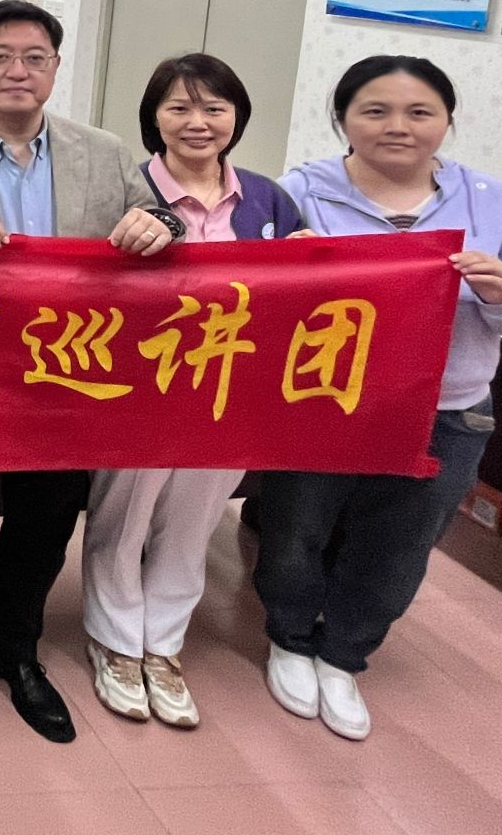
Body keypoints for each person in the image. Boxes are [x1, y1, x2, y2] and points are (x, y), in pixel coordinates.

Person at [0, 0, 183, 744]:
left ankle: (14, 647)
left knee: (44, 520)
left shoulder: (105, 153)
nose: (17, 71)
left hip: (64, 379)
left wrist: (161, 224)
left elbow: (163, 223)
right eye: (0, 56)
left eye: (35, 57)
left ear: (55, 67)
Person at [259, 56, 502, 741]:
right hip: (323, 400)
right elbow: (253, 298)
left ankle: (344, 654)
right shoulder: (300, 192)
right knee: (297, 529)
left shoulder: (493, 202)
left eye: (420, 112)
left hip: (448, 408)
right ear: (343, 119)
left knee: (401, 541)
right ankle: (289, 638)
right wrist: (287, 268)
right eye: (375, 111)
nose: (398, 126)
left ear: (447, 120)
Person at [82, 54, 306, 731]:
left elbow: (298, 297)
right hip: (138, 390)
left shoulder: (267, 199)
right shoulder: (123, 187)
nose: (198, 122)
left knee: (195, 518)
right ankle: (115, 640)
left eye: (214, 108)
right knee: (125, 515)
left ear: (237, 117)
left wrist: (312, 259)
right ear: (154, 118)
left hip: (230, 392)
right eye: (179, 108)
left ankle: (163, 643)